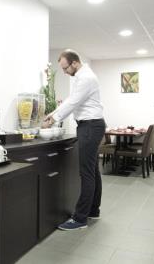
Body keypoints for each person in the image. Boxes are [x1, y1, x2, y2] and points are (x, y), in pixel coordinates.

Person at [42, 49, 105, 231]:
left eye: (65, 68)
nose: (64, 72)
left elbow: (72, 103)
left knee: (86, 173)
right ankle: (93, 210)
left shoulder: (85, 78)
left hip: (90, 126)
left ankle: (80, 219)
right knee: (92, 170)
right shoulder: (82, 76)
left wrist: (52, 120)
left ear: (75, 63)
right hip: (92, 125)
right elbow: (70, 100)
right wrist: (52, 114)